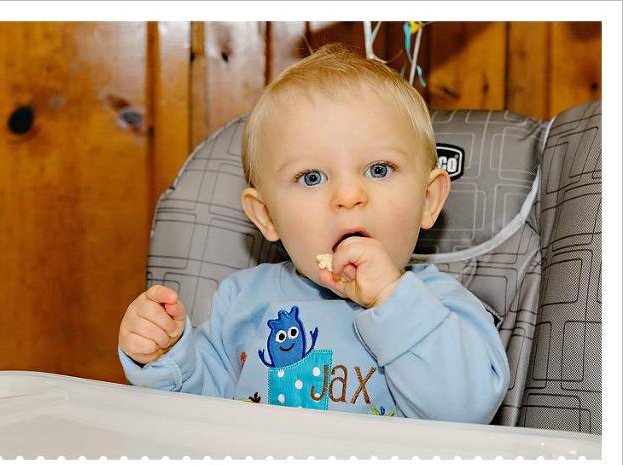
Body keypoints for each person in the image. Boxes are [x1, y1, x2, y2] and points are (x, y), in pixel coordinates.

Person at [118, 43, 509, 423]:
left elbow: (464, 412)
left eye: (378, 170)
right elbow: (195, 420)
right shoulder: (241, 303)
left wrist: (391, 300)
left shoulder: (441, 309)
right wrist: (165, 355)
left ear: (427, 199)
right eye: (311, 177)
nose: (348, 196)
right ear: (267, 216)